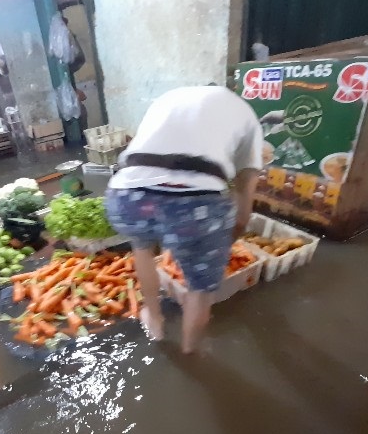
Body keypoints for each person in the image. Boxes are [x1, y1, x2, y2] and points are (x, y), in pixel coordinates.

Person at [105, 86, 263, 354]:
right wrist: (230, 233)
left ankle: (154, 320)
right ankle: (190, 353)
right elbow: (245, 192)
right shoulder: (247, 116)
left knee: (142, 248)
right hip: (196, 204)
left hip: (127, 195)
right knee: (199, 290)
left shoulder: (167, 98)